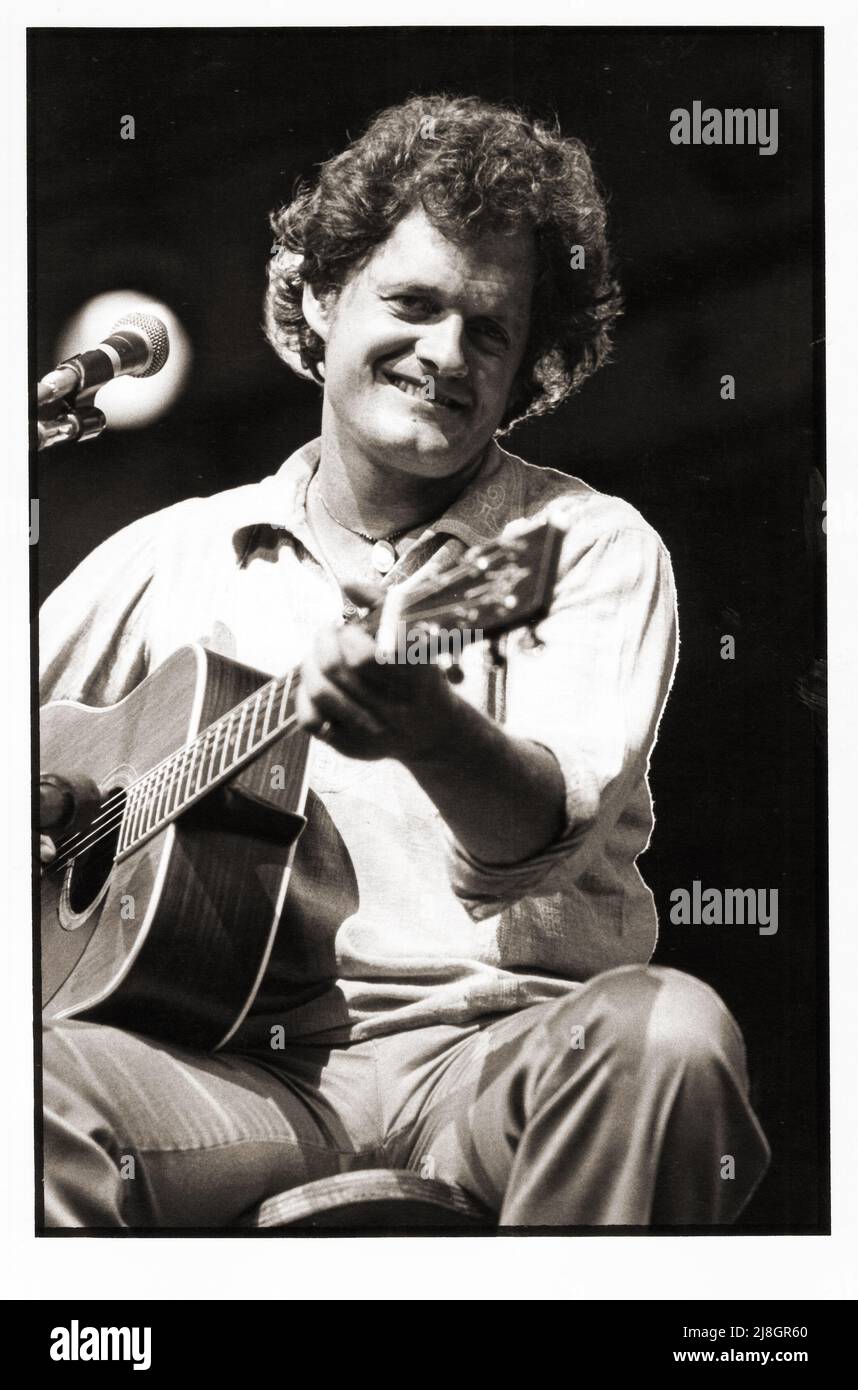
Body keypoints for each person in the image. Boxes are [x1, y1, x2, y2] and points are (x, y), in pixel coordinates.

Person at [39, 94, 770, 1227]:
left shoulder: (579, 549)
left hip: (498, 1054)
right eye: (415, 304)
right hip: (230, 1071)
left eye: (489, 330)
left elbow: (537, 836)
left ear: (527, 368)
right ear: (322, 299)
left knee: (668, 1040)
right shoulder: (165, 556)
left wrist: (430, 729)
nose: (446, 353)